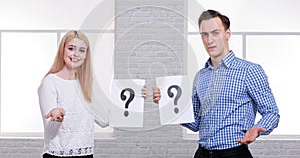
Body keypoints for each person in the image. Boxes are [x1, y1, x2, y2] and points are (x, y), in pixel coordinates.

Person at [153, 10, 280, 158]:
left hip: (234, 153)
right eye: (204, 35)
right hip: (202, 154)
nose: (209, 40)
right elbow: (195, 123)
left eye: (215, 33)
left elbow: (271, 112)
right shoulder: (200, 76)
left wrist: (258, 128)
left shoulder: (249, 71)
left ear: (227, 34)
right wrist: (167, 103)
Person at [38, 30, 147, 158]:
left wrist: (135, 99)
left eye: (82, 50)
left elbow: (104, 121)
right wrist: (57, 119)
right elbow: (50, 131)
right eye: (71, 48)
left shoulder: (85, 84)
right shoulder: (50, 82)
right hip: (57, 155)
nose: (76, 54)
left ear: (86, 56)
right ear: (62, 51)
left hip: (86, 154)